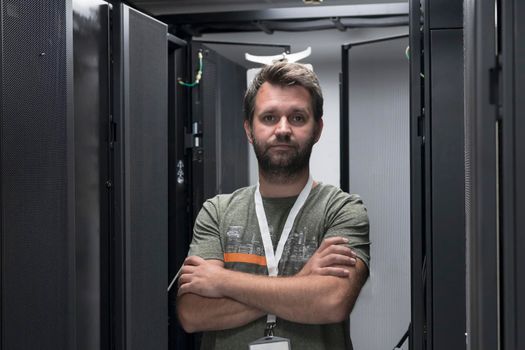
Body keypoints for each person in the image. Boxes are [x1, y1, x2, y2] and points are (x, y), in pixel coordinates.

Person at [177, 61, 370, 350]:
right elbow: (192, 314)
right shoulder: (216, 213)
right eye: (269, 118)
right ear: (249, 129)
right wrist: (303, 282)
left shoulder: (341, 210)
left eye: (297, 118)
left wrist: (222, 281)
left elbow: (331, 302)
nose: (282, 129)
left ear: (317, 129)